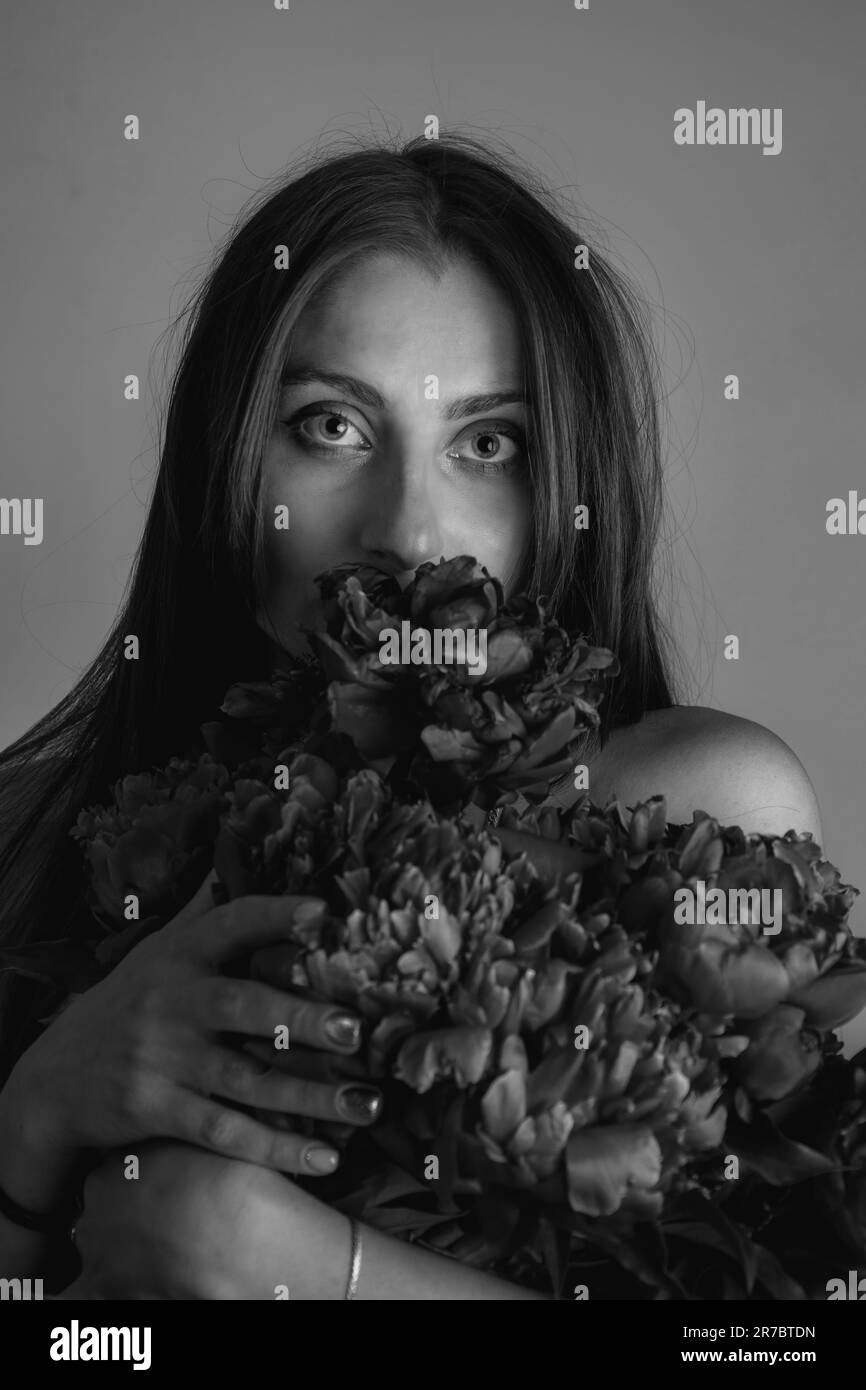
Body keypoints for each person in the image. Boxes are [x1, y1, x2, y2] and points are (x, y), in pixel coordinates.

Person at [0, 131, 822, 1300]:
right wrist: (31, 1128)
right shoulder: (34, 835)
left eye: (488, 445)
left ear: (566, 494)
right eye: (331, 426)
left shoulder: (693, 803)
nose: (410, 531)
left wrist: (297, 1267)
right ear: (227, 462)